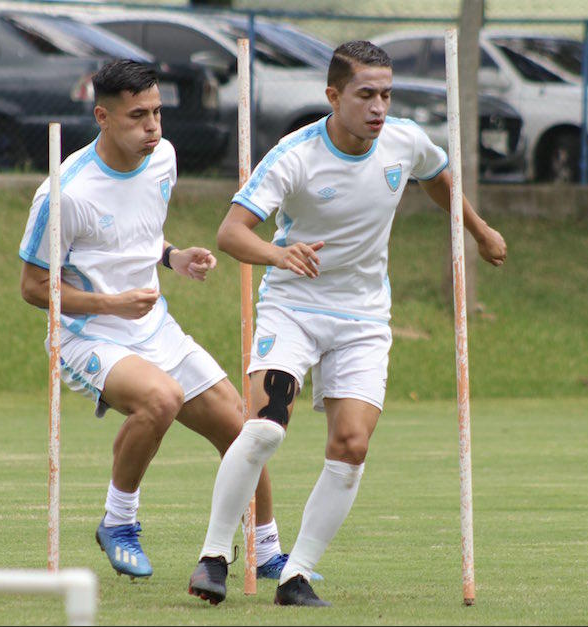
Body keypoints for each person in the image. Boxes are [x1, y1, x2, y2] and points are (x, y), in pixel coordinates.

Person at [187, 41, 507, 606]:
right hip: (293, 309)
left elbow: (436, 176)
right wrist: (280, 254)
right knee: (264, 429)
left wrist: (478, 230)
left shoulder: (404, 140)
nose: (379, 106)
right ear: (333, 96)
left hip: (362, 318)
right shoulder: (295, 155)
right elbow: (230, 233)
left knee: (352, 444)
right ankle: (215, 555)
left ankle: (297, 576)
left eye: (386, 94)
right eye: (366, 95)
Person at [18, 59, 294, 581]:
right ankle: (118, 522)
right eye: (137, 116)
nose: (153, 128)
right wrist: (110, 304)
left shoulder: (163, 158)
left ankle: (267, 549)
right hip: (86, 335)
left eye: (158, 112)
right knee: (160, 399)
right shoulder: (65, 192)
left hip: (154, 327)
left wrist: (172, 257)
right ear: (102, 116)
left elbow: (135, 237)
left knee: (246, 429)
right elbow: (33, 287)